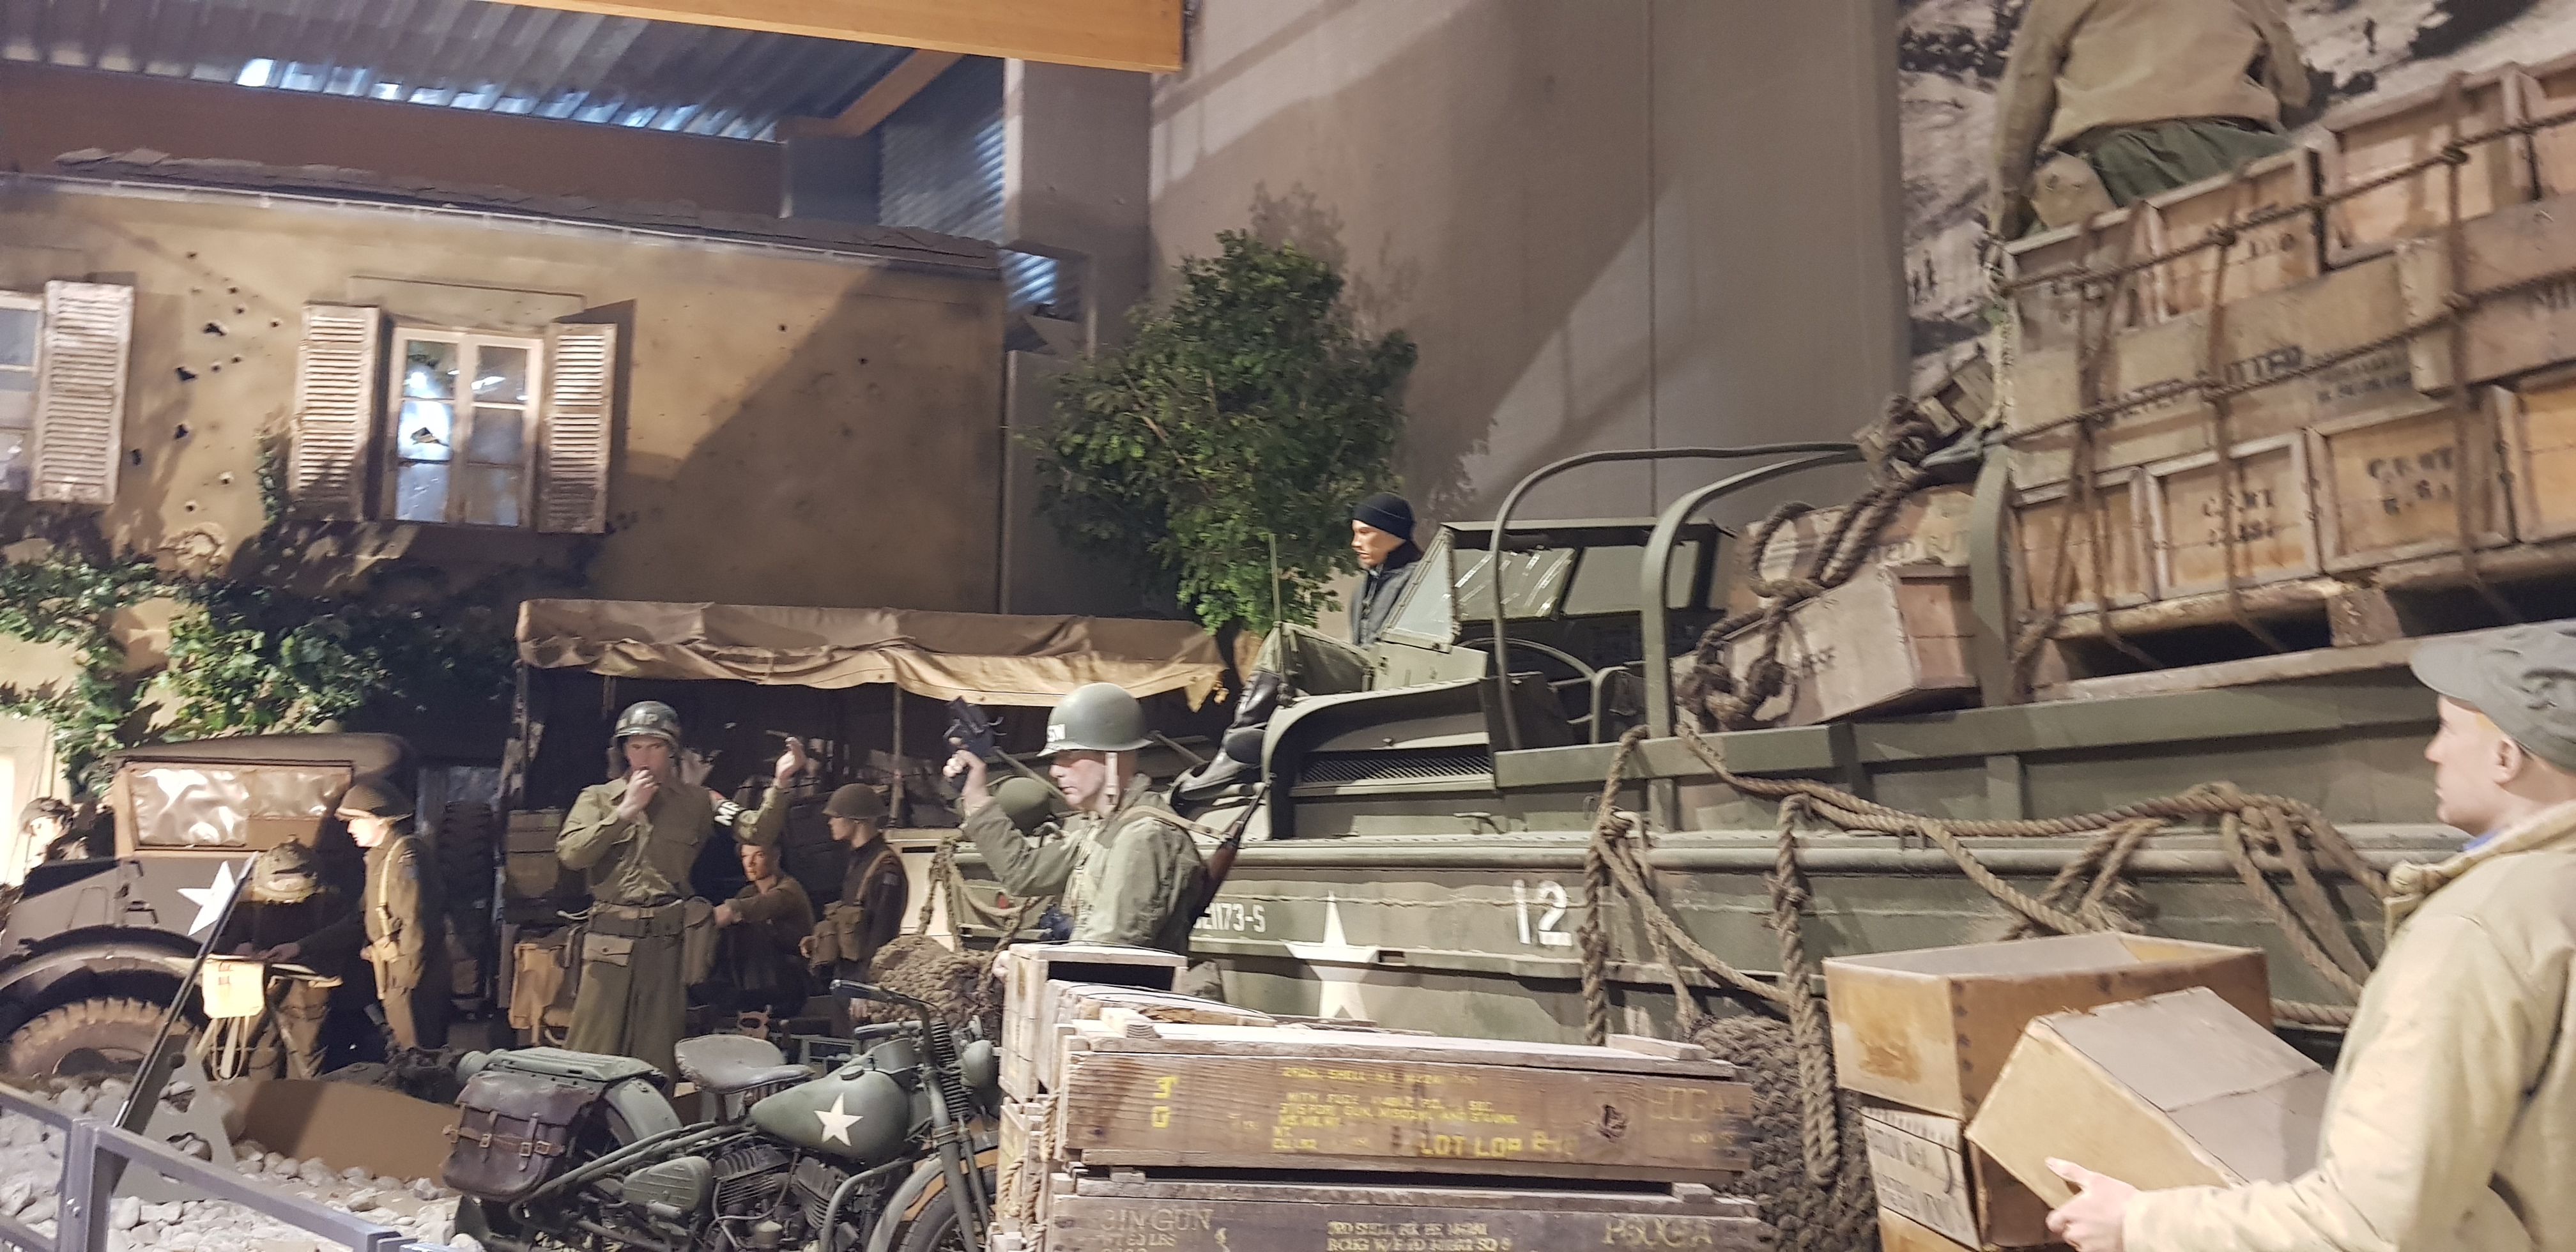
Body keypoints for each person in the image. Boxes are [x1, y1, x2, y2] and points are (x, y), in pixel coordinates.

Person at [2043, 624, 2576, 1252]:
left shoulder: (2475, 932)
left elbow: (2372, 1226)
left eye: (2448, 729)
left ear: (2506, 757)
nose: (2434, 752)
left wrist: (2138, 1223)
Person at [558, 701, 794, 1074]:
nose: (644, 757)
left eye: (655, 746)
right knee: (592, 1050)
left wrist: (781, 783)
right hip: (609, 944)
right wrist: (624, 813)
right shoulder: (597, 799)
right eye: (636, 746)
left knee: (655, 1056)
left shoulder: (700, 801)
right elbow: (572, 854)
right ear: (624, 750)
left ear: (671, 751)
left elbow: (757, 830)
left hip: (665, 945)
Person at [1991, 0, 2309, 238]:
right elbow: (2292, 91)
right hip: (2243, 156)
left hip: (2122, 168)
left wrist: (2007, 218)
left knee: (2037, 276)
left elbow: (2023, 102)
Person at [1177, 492, 1422, 798]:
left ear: (1392, 532)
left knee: (1287, 638)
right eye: (1355, 533)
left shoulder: (1420, 579)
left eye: (1365, 532)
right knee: (1288, 653)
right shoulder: (1368, 585)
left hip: (1395, 679)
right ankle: (1254, 741)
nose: (1355, 543)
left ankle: (1235, 748)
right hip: (1371, 675)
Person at [948, 682, 1208, 954]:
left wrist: (1029, 963)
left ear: (1112, 757)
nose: (1055, 771)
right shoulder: (1106, 827)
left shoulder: (1144, 835)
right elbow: (1023, 874)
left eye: (1069, 755)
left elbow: (1106, 950)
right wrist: (975, 795)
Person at [219, 840, 364, 1078]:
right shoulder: (249, 902)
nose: (287, 902)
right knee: (260, 1058)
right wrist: (238, 948)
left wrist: (301, 951)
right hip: (257, 993)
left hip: (307, 996)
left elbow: (342, 939)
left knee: (306, 1063)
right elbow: (223, 940)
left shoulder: (328, 902)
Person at [337, 781, 448, 1052]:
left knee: (418, 1057)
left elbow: (417, 921)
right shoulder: (380, 857)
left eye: (356, 820)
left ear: (380, 819)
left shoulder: (405, 857)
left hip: (410, 977)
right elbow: (358, 918)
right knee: (406, 1053)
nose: (350, 829)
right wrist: (300, 947)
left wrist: (405, 982)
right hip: (396, 974)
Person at [801, 784, 908, 1019]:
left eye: (836, 816)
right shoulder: (857, 861)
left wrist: (866, 988)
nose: (830, 822)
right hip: (847, 976)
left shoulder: (885, 867)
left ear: (857, 820)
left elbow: (882, 934)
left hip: (866, 983)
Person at [710, 841, 815, 1023]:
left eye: (759, 855)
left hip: (789, 983)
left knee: (754, 928)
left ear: (776, 856)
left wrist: (711, 917)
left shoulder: (789, 889)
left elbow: (758, 907)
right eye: (745, 856)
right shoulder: (748, 892)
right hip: (755, 982)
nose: (750, 863)